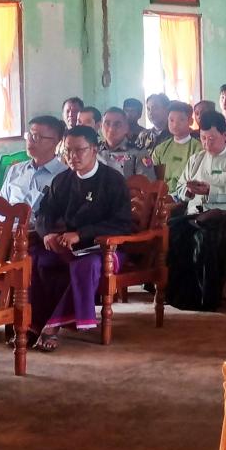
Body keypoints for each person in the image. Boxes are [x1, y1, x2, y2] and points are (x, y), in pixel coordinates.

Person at [27, 125, 135, 351]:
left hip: (106, 248)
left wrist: (81, 234)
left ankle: (53, 327)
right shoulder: (61, 180)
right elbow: (44, 213)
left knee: (84, 266)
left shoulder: (112, 180)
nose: (72, 156)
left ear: (94, 150)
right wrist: (47, 234)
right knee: (36, 258)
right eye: (67, 150)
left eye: (79, 150)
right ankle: (33, 324)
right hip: (68, 246)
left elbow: (122, 223)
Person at [165, 113, 226, 311]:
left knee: (203, 237)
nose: (206, 143)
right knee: (172, 231)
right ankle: (177, 294)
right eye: (203, 138)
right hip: (194, 214)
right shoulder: (196, 159)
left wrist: (210, 191)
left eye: (212, 138)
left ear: (224, 135)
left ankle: (206, 298)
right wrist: (188, 191)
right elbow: (180, 188)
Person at [0, 115, 68, 211]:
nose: (29, 141)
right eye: (29, 135)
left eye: (35, 137)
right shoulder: (15, 170)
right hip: (7, 220)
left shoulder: (65, 176)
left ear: (56, 141)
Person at [154, 101, 200, 191]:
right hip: (162, 196)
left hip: (188, 195)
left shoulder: (198, 149)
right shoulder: (160, 149)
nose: (175, 124)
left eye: (181, 120)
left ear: (190, 121)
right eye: (171, 120)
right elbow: (154, 179)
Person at [98, 107, 148, 178]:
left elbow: (146, 182)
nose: (111, 129)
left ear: (127, 128)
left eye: (117, 124)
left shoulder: (138, 153)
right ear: (101, 126)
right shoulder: (93, 151)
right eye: (107, 123)